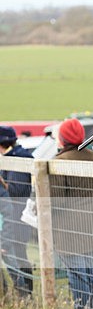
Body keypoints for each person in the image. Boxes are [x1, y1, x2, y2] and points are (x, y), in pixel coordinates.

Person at [50, 119, 93, 309]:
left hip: (69, 232)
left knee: (78, 276)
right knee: (92, 274)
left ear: (63, 139)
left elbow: (55, 202)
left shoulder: (59, 163)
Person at [0, 126, 33, 297]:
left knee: (18, 257)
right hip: (13, 217)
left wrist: (2, 184)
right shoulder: (12, 157)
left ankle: (26, 294)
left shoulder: (17, 159)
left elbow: (17, 191)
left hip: (17, 217)